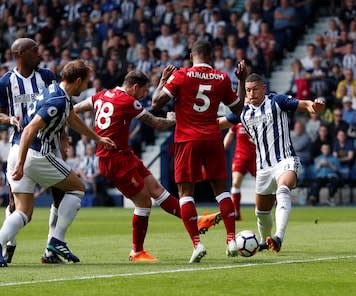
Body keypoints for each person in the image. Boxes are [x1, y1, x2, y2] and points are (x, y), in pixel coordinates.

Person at [74, 69, 221, 262]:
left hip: (124, 155)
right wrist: (173, 121)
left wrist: (64, 114)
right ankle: (136, 251)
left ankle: (196, 221)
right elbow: (156, 123)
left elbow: (77, 109)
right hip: (114, 159)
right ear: (135, 87)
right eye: (143, 91)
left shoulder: (103, 94)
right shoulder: (127, 101)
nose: (144, 95)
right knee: (144, 202)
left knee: (156, 188)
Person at [0, 60, 116, 267]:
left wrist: (97, 139)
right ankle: (57, 240)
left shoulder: (56, 90)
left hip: (16, 151)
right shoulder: (58, 100)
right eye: (86, 82)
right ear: (78, 80)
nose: (86, 86)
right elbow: (30, 130)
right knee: (78, 188)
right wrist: (21, 164)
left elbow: (72, 119)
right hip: (35, 154)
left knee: (23, 212)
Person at [152, 40, 247, 263]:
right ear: (211, 55)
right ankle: (231, 239)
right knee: (222, 190)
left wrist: (163, 80)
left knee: (186, 193)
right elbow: (239, 109)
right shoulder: (222, 77)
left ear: (191, 55)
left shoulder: (181, 75)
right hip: (213, 138)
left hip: (187, 139)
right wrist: (241, 81)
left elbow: (156, 102)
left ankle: (197, 244)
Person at [220, 73, 325, 252]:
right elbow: (219, 123)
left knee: (283, 188)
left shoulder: (277, 101)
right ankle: (263, 240)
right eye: (248, 90)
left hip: (285, 160)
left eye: (255, 89)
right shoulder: (243, 112)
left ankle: (278, 237)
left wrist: (315, 106)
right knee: (261, 212)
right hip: (263, 167)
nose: (251, 93)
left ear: (264, 89)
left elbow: (305, 104)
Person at [0, 37, 66, 264]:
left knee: (61, 195)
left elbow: (60, 105)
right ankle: (9, 244)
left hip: (51, 144)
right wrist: (9, 119)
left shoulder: (47, 76)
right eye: (35, 51)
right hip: (22, 146)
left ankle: (51, 250)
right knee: (15, 205)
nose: (40, 54)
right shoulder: (6, 82)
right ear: (20, 54)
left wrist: (64, 138)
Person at [223, 122, 256, 221]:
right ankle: (236, 212)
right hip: (240, 157)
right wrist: (222, 148)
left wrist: (256, 140)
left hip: (256, 157)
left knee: (262, 184)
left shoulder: (256, 118)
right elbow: (230, 133)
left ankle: (262, 209)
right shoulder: (238, 120)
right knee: (235, 182)